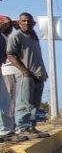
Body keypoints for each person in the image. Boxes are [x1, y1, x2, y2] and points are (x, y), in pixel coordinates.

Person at [5, 12, 50, 138]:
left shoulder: (34, 37)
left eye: (29, 21)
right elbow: (10, 54)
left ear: (33, 24)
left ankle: (31, 127)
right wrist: (24, 71)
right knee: (24, 103)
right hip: (26, 76)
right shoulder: (16, 36)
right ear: (19, 23)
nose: (26, 23)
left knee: (35, 104)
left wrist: (43, 73)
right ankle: (22, 128)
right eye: (23, 21)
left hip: (39, 75)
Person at [0, 15, 27, 143]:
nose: (9, 26)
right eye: (7, 24)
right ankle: (5, 130)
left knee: (8, 102)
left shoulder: (5, 37)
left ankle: (8, 129)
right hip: (7, 72)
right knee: (6, 101)